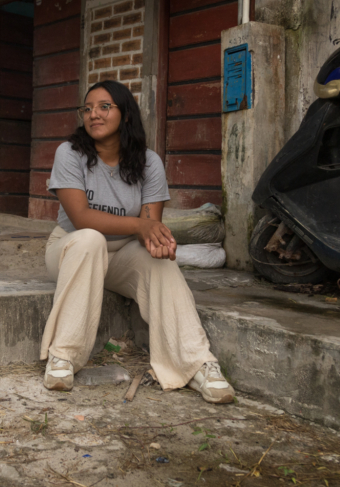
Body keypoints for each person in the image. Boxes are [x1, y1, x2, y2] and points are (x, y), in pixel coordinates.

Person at [40, 80, 234, 404]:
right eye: (87, 109)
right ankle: (63, 357)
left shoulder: (149, 162)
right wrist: (141, 226)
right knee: (90, 239)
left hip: (122, 254)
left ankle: (198, 363)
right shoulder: (70, 153)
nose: (93, 114)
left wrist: (157, 242)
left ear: (126, 114)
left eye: (104, 107)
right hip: (72, 248)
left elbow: (149, 226)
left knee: (160, 265)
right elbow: (81, 219)